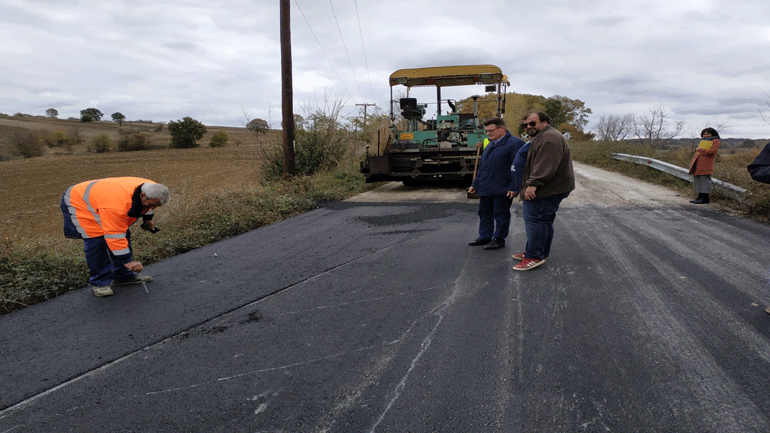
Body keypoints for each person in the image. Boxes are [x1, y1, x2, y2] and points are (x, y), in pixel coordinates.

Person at [60, 177, 170, 297]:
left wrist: (147, 218)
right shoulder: (116, 206)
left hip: (104, 199)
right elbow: (114, 235)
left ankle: (122, 276)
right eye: (152, 205)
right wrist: (128, 261)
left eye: (156, 206)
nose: (152, 208)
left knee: (123, 234)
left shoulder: (153, 188)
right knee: (97, 241)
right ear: (143, 196)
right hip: (79, 202)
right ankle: (99, 283)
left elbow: (147, 206)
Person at [513, 112, 575, 271]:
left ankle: (534, 256)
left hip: (546, 188)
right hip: (550, 187)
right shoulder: (544, 136)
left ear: (545, 121)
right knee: (544, 220)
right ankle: (537, 251)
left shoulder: (549, 138)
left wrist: (533, 184)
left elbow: (546, 164)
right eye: (525, 125)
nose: (528, 127)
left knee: (535, 219)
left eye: (532, 123)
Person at [468, 118, 525, 250]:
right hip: (486, 187)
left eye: (491, 130)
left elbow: (519, 167)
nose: (488, 133)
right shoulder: (490, 144)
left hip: (503, 188)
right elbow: (483, 167)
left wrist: (514, 186)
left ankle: (499, 239)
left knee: (501, 215)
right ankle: (485, 236)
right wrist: (475, 184)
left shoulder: (515, 144)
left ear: (502, 129)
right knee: (484, 213)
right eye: (486, 131)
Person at [688, 127, 721, 204]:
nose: (706, 135)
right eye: (704, 134)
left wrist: (700, 150)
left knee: (704, 180)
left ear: (713, 134)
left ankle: (704, 198)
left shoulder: (715, 141)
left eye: (708, 134)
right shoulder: (703, 141)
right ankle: (699, 196)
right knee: (698, 180)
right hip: (698, 163)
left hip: (706, 164)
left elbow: (712, 151)